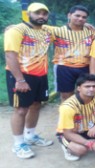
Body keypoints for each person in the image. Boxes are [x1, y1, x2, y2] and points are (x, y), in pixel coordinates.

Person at [4, 2, 53, 159]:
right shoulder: (16, 30)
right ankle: (18, 144)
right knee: (21, 109)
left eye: (44, 14)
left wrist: (88, 25)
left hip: (40, 74)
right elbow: (10, 55)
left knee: (36, 105)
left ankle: (30, 136)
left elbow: (71, 26)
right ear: (29, 14)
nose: (41, 16)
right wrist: (20, 79)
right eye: (37, 13)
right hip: (21, 75)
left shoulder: (47, 31)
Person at [56, 74, 95, 161]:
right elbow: (67, 133)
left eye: (94, 86)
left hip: (90, 126)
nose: (91, 89)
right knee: (81, 150)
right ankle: (66, 146)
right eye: (87, 86)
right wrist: (91, 144)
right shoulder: (68, 107)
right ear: (79, 88)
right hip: (72, 132)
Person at [51, 5, 95, 102]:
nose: (80, 19)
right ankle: (67, 116)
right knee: (66, 95)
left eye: (84, 17)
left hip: (85, 66)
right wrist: (14, 27)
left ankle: (83, 115)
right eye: (77, 16)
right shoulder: (57, 31)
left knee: (86, 93)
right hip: (64, 66)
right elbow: (38, 30)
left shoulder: (90, 31)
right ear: (69, 15)